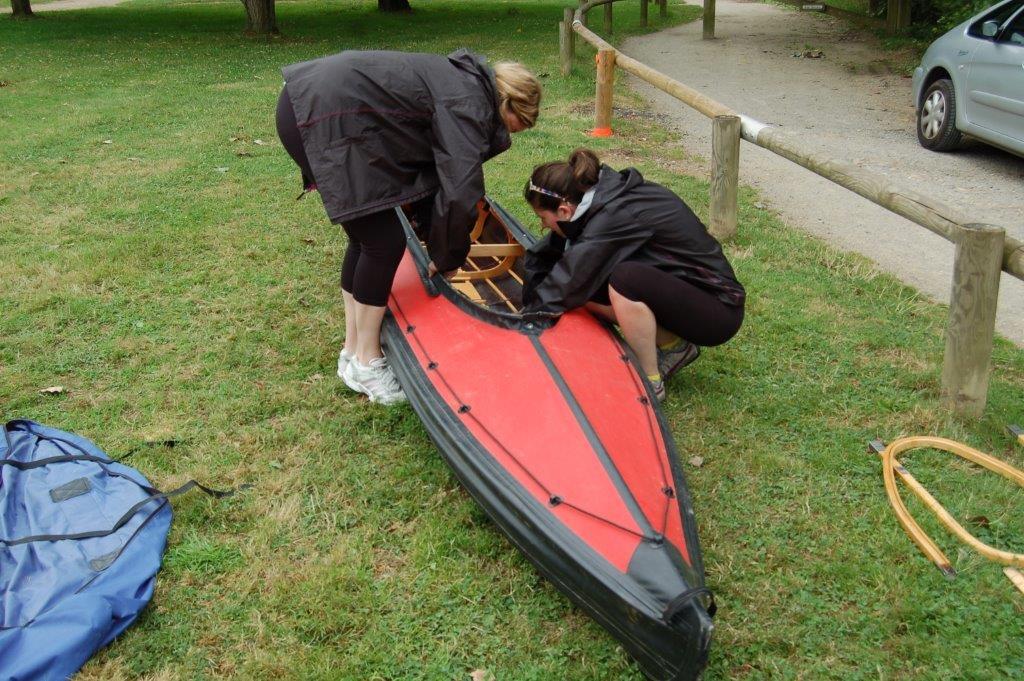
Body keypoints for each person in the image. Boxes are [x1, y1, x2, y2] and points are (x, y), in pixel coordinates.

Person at [276, 49, 541, 404]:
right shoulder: (470, 104)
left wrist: (434, 232)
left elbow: (432, 164)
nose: (506, 135)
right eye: (512, 128)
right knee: (382, 243)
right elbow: (460, 189)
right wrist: (447, 257)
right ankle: (368, 363)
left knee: (366, 237)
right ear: (508, 106)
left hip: (310, 104)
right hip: (322, 115)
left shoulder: (465, 82)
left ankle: (353, 352)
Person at [521, 149, 745, 401]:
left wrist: (524, 325)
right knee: (589, 285)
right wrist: (528, 305)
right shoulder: (601, 203)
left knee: (622, 279)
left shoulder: (615, 213)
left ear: (563, 211)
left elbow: (569, 279)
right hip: (685, 291)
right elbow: (544, 257)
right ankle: (674, 346)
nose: (541, 225)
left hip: (718, 309)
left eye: (542, 218)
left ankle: (651, 381)